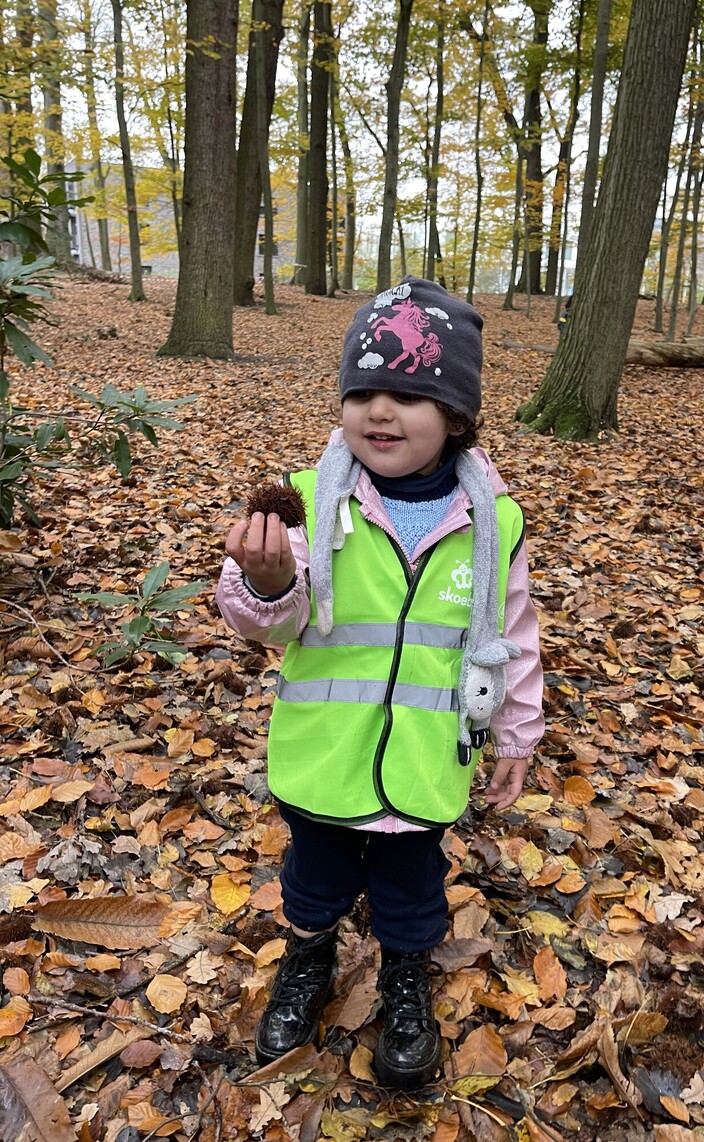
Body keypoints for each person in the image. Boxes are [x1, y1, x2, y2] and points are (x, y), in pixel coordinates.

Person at [216, 276, 544, 1088]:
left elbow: (512, 636)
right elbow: (270, 623)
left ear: (457, 415)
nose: (380, 412)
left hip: (425, 757)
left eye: (409, 393)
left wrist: (516, 732)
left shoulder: (491, 522)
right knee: (315, 878)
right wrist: (261, 585)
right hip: (324, 754)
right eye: (363, 390)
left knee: (412, 889)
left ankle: (404, 978)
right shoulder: (307, 503)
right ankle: (308, 960)